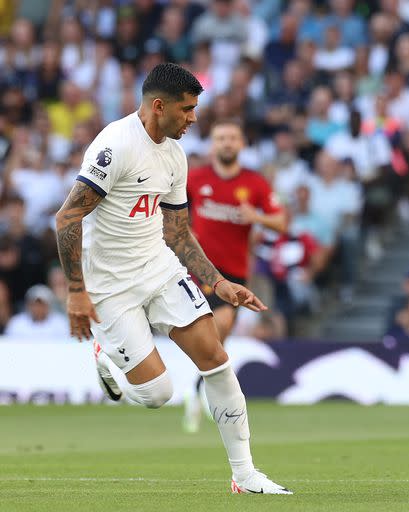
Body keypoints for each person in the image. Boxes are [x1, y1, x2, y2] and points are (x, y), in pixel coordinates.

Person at [54, 63, 292, 495]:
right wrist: (75, 292)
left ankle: (245, 475)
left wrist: (219, 284)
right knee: (157, 394)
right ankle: (105, 355)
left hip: (159, 267)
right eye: (187, 109)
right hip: (109, 285)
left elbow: (178, 232)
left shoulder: (175, 154)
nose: (194, 118)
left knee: (216, 359)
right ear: (158, 106)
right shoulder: (115, 147)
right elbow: (67, 218)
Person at [183, 118, 287, 433]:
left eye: (232, 138)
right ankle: (208, 394)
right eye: (221, 138)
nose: (227, 143)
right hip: (200, 268)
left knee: (219, 336)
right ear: (213, 145)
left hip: (234, 273)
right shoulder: (195, 179)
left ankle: (199, 390)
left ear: (241, 144)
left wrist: (256, 217)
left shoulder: (255, 184)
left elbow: (281, 222)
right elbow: (170, 212)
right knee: (218, 329)